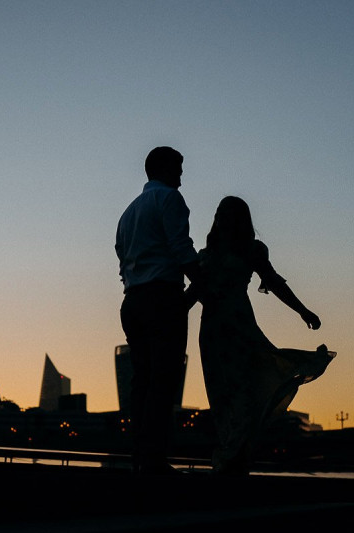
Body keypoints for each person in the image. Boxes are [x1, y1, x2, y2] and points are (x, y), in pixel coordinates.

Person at [186, 195, 335, 476]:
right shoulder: (205, 254)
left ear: (239, 219)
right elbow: (195, 293)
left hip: (240, 327)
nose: (220, 217)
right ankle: (233, 456)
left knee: (243, 392)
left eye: (227, 213)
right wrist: (170, 313)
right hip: (212, 332)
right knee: (219, 395)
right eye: (218, 212)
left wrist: (303, 311)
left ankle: (234, 459)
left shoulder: (252, 250)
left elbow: (275, 282)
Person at [115, 146, 202, 476]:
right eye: (178, 167)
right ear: (163, 169)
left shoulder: (129, 212)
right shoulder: (170, 200)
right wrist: (203, 284)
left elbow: (121, 256)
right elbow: (181, 247)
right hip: (161, 297)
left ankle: (139, 454)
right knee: (163, 381)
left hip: (132, 300)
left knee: (141, 381)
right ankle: (154, 460)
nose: (182, 174)